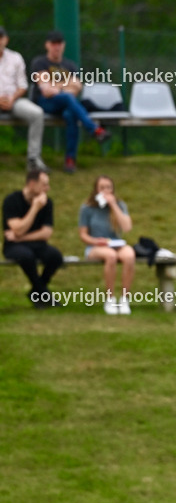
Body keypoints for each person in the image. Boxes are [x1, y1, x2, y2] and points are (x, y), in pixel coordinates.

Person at [29, 31, 110, 173]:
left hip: (65, 104)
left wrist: (56, 85)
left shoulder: (70, 65)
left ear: (64, 45)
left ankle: (70, 160)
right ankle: (95, 129)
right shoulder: (40, 63)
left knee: (70, 114)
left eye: (59, 43)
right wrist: (65, 85)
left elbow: (77, 87)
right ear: (47, 45)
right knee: (68, 98)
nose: (57, 47)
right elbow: (46, 91)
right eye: (54, 43)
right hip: (45, 103)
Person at [2, 169, 62, 308]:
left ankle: (36, 291)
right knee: (26, 256)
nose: (47, 189)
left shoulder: (47, 202)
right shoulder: (11, 200)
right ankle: (42, 292)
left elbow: (46, 233)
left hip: (36, 244)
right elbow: (17, 228)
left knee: (56, 257)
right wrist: (34, 208)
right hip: (12, 246)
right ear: (32, 184)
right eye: (44, 185)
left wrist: (20, 238)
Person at [79, 175, 135, 315]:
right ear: (96, 190)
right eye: (102, 188)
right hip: (96, 246)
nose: (105, 191)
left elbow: (127, 227)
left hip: (116, 243)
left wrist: (113, 205)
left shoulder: (120, 205)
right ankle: (110, 299)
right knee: (111, 256)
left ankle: (124, 299)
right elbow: (83, 235)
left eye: (108, 187)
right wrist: (96, 242)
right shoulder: (87, 208)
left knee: (129, 255)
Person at [0, 27, 46, 171]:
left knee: (37, 113)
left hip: (14, 100)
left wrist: (12, 99)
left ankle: (33, 159)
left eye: (0, 38)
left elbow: (22, 85)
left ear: (6, 39)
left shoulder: (16, 57)